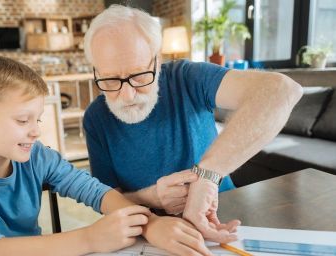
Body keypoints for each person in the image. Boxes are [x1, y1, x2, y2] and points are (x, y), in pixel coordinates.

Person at [0, 55, 213, 256]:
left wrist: (151, 223)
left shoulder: (37, 157)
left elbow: (95, 192)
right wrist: (89, 238)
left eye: (37, 120)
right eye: (22, 121)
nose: (35, 132)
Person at [83, 4, 303, 243]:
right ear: (96, 72)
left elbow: (282, 91)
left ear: (157, 62)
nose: (127, 96)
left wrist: (208, 176)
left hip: (224, 215)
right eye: (110, 80)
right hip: (150, 231)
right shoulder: (95, 118)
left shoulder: (187, 77)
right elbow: (105, 199)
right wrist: (151, 197)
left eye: (138, 76)